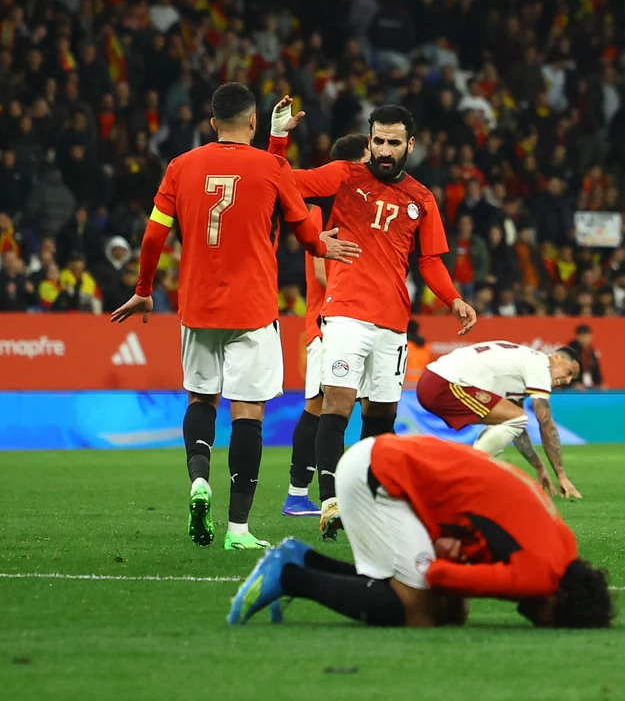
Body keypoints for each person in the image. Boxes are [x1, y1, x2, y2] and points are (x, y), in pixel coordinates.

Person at [110, 83, 359, 549]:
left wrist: (145, 290)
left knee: (200, 400)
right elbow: (306, 232)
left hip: (197, 307)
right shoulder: (271, 166)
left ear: (211, 123)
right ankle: (238, 529)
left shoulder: (181, 167)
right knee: (248, 413)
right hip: (253, 309)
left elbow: (150, 239)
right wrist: (325, 245)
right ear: (252, 122)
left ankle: (198, 480)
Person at [273, 100, 477, 540]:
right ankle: (330, 502)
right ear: (369, 141)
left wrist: (454, 299)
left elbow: (431, 261)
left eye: (393, 143)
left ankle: (366, 500)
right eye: (378, 141)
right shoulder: (345, 177)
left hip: (392, 324)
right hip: (345, 316)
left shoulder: (421, 199)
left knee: (381, 417)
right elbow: (282, 181)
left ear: (410, 145)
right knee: (336, 406)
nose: (385, 150)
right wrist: (278, 139)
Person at [228, 434, 613, 628]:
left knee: (445, 613)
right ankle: (290, 576)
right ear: (559, 600)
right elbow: (440, 574)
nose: (539, 623)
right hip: (381, 475)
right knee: (418, 613)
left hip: (393, 461)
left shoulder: (563, 545)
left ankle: (303, 559)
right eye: (553, 623)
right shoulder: (539, 577)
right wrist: (450, 564)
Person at [284, 133, 369, 518]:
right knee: (318, 407)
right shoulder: (319, 211)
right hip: (325, 322)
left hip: (339, 320)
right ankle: (304, 495)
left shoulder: (345, 208)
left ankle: (303, 496)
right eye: (368, 157)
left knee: (322, 407)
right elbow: (320, 272)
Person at [417, 339, 583, 498]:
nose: (567, 380)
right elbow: (545, 422)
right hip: (445, 384)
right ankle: (463, 475)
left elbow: (516, 426)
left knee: (514, 418)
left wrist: (539, 467)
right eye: (569, 372)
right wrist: (561, 475)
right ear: (557, 357)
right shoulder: (541, 364)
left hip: (435, 380)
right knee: (517, 418)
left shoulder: (524, 363)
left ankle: (458, 475)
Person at [572, 323, 604, 388]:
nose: (584, 339)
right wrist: (574, 383)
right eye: (582, 336)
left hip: (588, 385)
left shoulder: (591, 351)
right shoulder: (572, 351)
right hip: (574, 387)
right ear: (578, 337)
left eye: (586, 336)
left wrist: (599, 383)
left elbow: (596, 370)